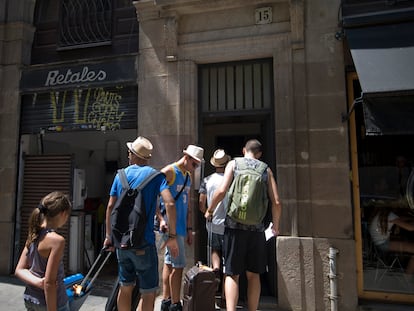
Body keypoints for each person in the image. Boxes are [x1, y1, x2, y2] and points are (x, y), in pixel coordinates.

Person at [205, 139, 282, 311]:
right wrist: (275, 226)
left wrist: (210, 210)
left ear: (243, 150)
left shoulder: (234, 164)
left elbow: (222, 190)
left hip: (234, 227)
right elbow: (276, 201)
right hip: (257, 229)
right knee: (254, 275)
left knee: (232, 273)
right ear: (259, 154)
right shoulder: (265, 169)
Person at [103, 136, 179, 311]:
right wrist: (172, 236)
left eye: (129, 152)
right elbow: (170, 203)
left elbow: (109, 207)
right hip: (144, 243)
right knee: (148, 292)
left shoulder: (120, 175)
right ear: (147, 158)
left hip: (122, 243)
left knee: (125, 286)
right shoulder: (155, 176)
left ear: (132, 154)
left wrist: (109, 237)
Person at [159, 144, 204, 311]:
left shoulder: (187, 176)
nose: (195, 168)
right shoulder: (170, 171)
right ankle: (175, 304)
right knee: (178, 267)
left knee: (170, 264)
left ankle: (166, 301)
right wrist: (160, 219)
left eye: (197, 166)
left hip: (180, 228)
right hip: (171, 227)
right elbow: (153, 193)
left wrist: (190, 228)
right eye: (194, 164)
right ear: (187, 158)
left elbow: (188, 205)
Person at [15, 191, 72, 311]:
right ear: (63, 214)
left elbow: (19, 270)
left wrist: (38, 282)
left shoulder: (33, 234)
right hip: (52, 303)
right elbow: (49, 283)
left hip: (30, 299)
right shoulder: (57, 241)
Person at [198, 149, 231, 274]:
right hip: (229, 222)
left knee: (214, 249)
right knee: (228, 255)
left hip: (212, 222)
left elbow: (201, 203)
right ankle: (225, 289)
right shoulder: (231, 179)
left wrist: (207, 212)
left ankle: (215, 271)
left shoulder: (207, 180)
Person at [368, 207, 414, 275]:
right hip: (383, 244)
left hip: (377, 244)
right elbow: (410, 228)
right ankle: (408, 278)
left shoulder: (383, 214)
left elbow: (399, 219)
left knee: (406, 240)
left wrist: (410, 218)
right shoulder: (390, 215)